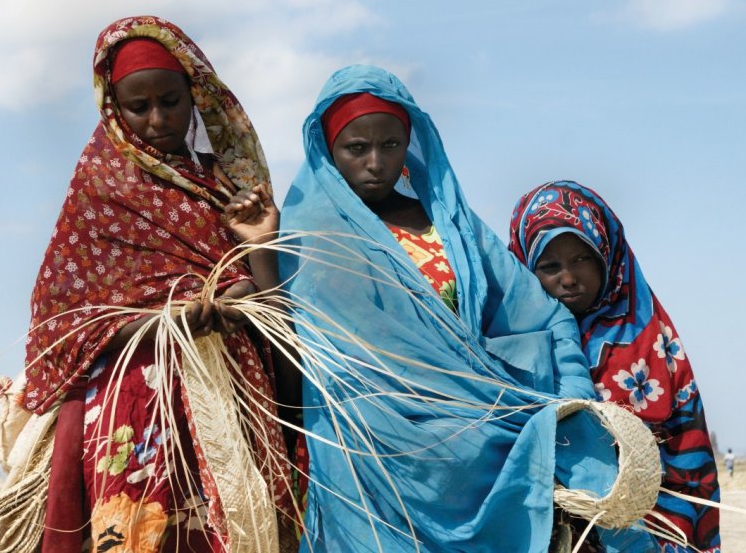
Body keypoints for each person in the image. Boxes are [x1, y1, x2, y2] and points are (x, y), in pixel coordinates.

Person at [278, 65, 656, 552]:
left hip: (479, 437)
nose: (375, 161)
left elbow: (544, 316)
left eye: (391, 145)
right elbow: (296, 345)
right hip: (371, 454)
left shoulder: (452, 227)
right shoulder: (309, 237)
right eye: (356, 148)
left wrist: (572, 400)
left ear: (411, 144)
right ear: (329, 151)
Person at [24, 16, 299, 552]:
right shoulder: (99, 191)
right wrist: (159, 320)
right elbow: (63, 321)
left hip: (233, 396)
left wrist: (245, 280)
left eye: (170, 101)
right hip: (136, 405)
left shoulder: (227, 188)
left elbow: (271, 303)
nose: (157, 119)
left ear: (194, 97)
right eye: (138, 106)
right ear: (113, 108)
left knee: (241, 533)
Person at [509, 180, 721, 553]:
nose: (569, 278)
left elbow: (685, 451)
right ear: (525, 267)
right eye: (550, 265)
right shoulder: (510, 342)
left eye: (581, 259)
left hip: (654, 531)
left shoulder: (649, 336)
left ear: (607, 253)